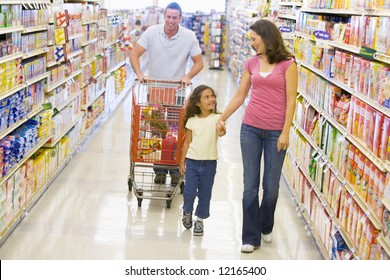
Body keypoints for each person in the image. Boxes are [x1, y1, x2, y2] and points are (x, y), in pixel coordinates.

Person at [216, 19, 298, 253]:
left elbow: (291, 101)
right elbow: (240, 96)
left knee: (270, 187)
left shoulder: (287, 64)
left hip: (275, 134)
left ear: (266, 36)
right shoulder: (251, 63)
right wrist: (222, 117)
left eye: (253, 38)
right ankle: (250, 237)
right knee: (250, 185)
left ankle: (266, 224)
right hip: (250, 128)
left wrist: (285, 132)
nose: (250, 43)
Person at [130, 2, 204, 185]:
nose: (171, 21)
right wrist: (140, 74)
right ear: (164, 16)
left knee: (176, 133)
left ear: (180, 18)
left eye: (175, 17)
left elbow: (199, 63)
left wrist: (187, 76)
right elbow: (134, 54)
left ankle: (175, 169)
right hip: (154, 92)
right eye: (168, 17)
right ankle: (160, 170)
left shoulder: (188, 36)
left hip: (178, 94)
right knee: (158, 134)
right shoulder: (152, 32)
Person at [180, 85, 226, 236]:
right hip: (192, 162)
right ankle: (187, 212)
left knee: (205, 193)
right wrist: (182, 162)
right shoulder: (192, 121)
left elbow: (222, 132)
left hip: (209, 163)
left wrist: (222, 129)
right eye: (206, 97)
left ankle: (199, 220)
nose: (211, 99)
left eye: (212, 96)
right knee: (189, 192)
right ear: (198, 103)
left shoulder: (217, 118)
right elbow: (187, 142)